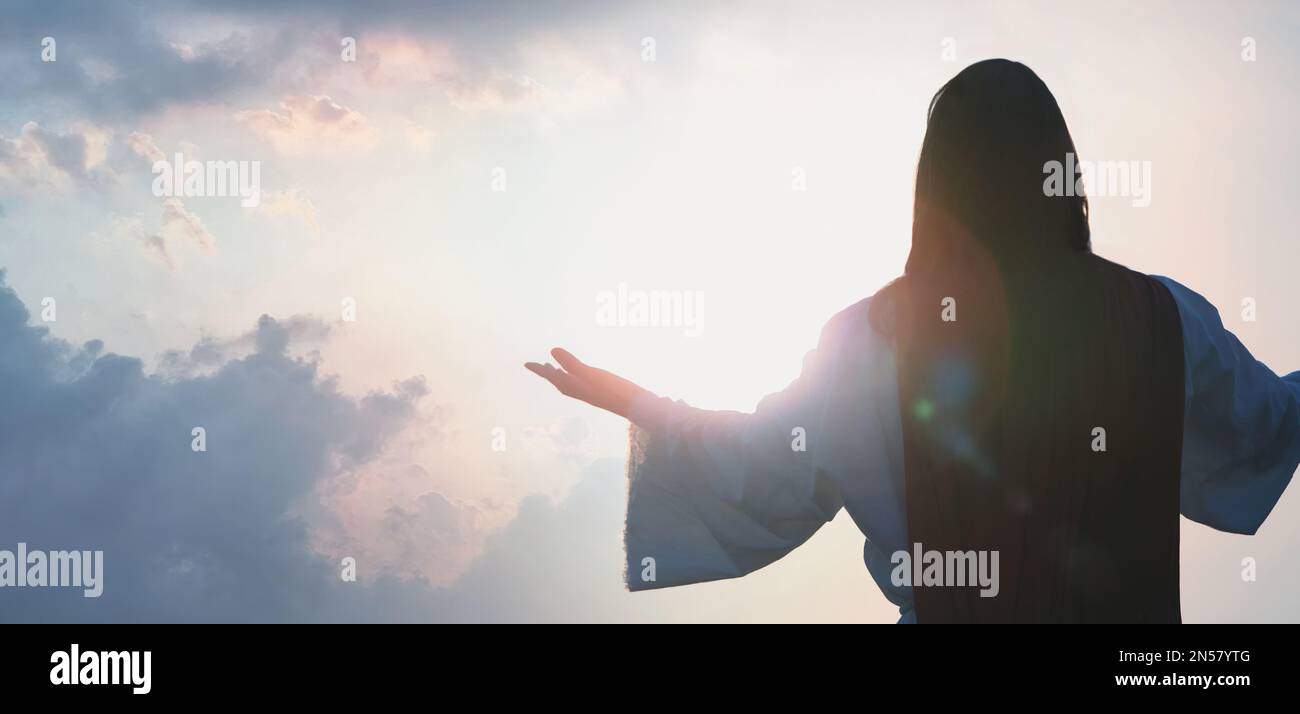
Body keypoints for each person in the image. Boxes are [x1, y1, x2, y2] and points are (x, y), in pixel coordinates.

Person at [525, 59, 1300, 623]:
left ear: (934, 186)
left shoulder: (872, 341)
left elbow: (760, 466)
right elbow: (1264, 425)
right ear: (1059, 174)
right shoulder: (1161, 318)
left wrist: (636, 402)